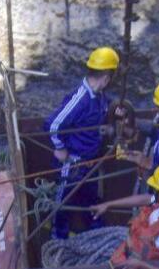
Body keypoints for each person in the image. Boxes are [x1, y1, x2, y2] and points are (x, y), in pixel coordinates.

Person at [44, 46, 119, 239]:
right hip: (73, 163)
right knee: (63, 199)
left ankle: (94, 227)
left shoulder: (99, 95)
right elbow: (53, 125)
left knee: (90, 195)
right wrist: (60, 149)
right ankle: (58, 235)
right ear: (106, 78)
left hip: (90, 161)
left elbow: (104, 108)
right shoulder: (80, 99)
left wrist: (114, 111)